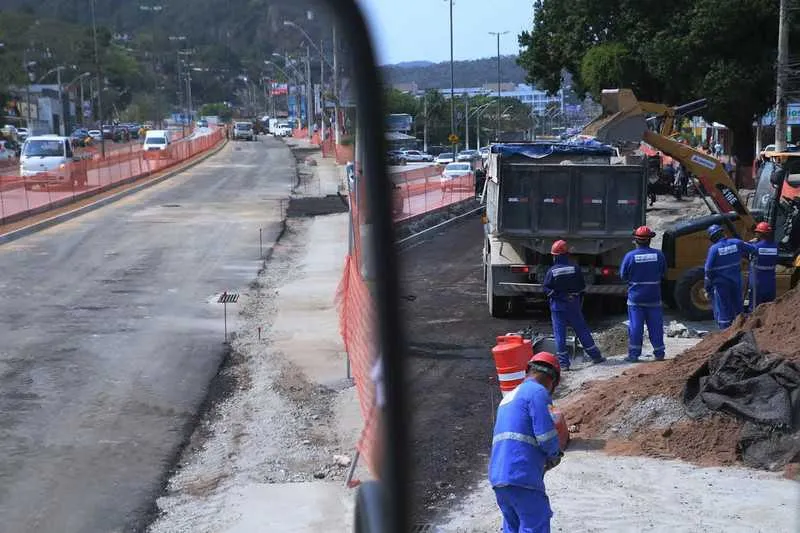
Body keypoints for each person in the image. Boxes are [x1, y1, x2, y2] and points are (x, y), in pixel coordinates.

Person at [489, 351, 564, 533]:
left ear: (528, 370)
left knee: (512, 526)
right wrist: (555, 454)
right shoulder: (538, 391)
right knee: (535, 525)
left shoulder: (508, 398)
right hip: (521, 473)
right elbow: (545, 435)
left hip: (499, 477)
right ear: (551, 380)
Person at [543, 240, 605, 369]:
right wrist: (572, 297)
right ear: (567, 254)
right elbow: (581, 287)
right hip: (573, 304)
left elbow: (547, 289)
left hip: (558, 306)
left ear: (555, 256)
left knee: (560, 335)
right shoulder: (575, 268)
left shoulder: (552, 271)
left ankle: (564, 364)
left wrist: (561, 296)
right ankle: (596, 356)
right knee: (582, 331)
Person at [620, 226, 667, 362]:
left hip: (636, 298)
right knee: (656, 326)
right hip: (654, 297)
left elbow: (623, 275)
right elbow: (663, 272)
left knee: (635, 327)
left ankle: (634, 355)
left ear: (636, 240)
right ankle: (659, 353)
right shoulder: (659, 255)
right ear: (650, 240)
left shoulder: (630, 256)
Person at [704, 224, 754, 329]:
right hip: (736, 281)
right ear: (722, 232)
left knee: (724, 307)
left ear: (712, 238)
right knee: (738, 306)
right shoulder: (736, 242)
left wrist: (707, 288)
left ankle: (724, 331)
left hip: (721, 284)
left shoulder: (714, 249)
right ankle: (740, 328)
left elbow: (708, 269)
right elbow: (753, 249)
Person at [747, 222, 778, 311]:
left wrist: (750, 242)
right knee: (769, 308)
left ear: (760, 234)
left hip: (757, 282)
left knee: (754, 308)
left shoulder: (755, 247)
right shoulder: (775, 246)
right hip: (770, 282)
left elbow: (744, 250)